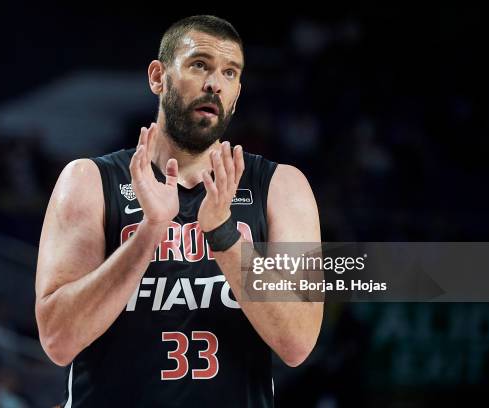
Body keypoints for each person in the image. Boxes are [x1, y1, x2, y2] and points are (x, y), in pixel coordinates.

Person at [35, 15, 323, 407]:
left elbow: (298, 342)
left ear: (237, 92)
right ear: (158, 77)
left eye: (229, 72)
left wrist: (223, 236)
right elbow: (58, 340)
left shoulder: (281, 187)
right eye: (199, 64)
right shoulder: (88, 181)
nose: (213, 83)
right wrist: (151, 230)